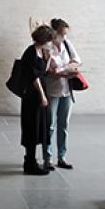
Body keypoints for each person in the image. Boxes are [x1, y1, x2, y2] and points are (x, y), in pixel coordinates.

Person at [43, 18, 81, 170]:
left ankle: (62, 156)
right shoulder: (47, 47)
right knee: (49, 125)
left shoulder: (67, 44)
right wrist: (58, 72)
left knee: (63, 124)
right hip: (52, 90)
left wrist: (68, 68)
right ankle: (47, 157)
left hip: (66, 89)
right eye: (62, 34)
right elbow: (46, 70)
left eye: (66, 34)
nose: (64, 37)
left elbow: (76, 60)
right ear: (55, 33)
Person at [20, 25, 55, 175]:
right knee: (32, 126)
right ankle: (30, 163)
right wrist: (42, 95)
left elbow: (43, 72)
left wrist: (49, 58)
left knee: (40, 126)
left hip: (40, 94)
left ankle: (33, 160)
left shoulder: (41, 51)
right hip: (33, 96)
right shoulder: (30, 52)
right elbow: (34, 77)